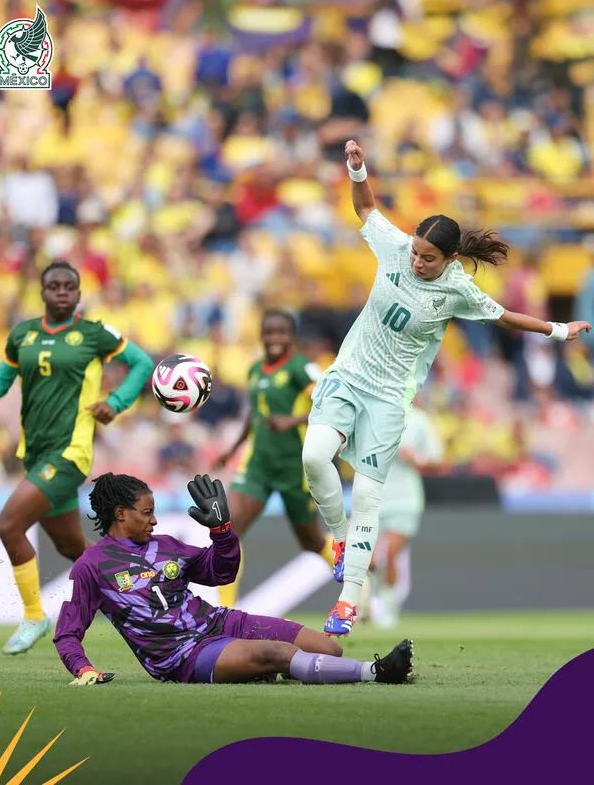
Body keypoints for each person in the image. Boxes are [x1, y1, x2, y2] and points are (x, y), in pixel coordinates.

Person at [302, 139, 592, 637]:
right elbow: (367, 206)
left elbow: (503, 318)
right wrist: (357, 169)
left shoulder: (456, 288)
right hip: (347, 377)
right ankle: (340, 537)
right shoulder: (394, 247)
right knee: (313, 457)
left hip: (390, 399)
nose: (417, 263)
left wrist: (557, 330)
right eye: (415, 252)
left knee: (369, 495)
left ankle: (349, 602)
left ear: (450, 258)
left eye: (428, 258)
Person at [53, 473, 413, 685]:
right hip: (183, 655)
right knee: (280, 652)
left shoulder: (166, 546)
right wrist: (83, 668)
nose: (155, 521)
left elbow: (219, 572)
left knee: (329, 648)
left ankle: (264, 667)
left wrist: (222, 531)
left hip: (221, 623)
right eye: (147, 513)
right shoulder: (92, 566)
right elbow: (68, 631)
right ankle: (377, 672)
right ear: (120, 513)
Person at [0, 261, 154, 654]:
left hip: (70, 452)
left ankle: (34, 615)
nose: (62, 291)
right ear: (43, 292)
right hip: (36, 453)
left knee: (10, 525)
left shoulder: (93, 333)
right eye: (54, 286)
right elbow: (2, 380)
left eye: (70, 286)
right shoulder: (23, 335)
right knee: (74, 549)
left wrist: (115, 403)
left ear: (79, 294)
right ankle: (142, 595)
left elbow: (142, 364)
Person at [213, 309, 334, 607]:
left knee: (312, 542)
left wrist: (293, 421)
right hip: (258, 465)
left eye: (281, 333)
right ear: (261, 336)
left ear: (291, 337)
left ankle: (361, 582)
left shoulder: (301, 368)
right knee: (227, 531)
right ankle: (225, 612)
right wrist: (232, 450)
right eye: (269, 332)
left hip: (293, 466)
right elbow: (255, 414)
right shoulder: (255, 370)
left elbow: (331, 404)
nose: (274, 339)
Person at [369, 405, 443, 628]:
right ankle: (373, 601)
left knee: (390, 554)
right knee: (369, 560)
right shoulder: (372, 413)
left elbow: (437, 458)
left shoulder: (419, 420)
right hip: (371, 495)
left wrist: (416, 457)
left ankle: (388, 609)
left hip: (404, 499)